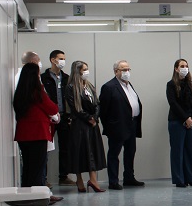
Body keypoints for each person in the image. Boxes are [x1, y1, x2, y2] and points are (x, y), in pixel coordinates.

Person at [13, 63, 62, 199]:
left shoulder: (20, 91)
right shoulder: (37, 91)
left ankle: (26, 197)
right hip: (38, 134)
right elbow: (52, 108)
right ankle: (37, 199)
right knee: (37, 169)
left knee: (28, 169)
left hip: (23, 134)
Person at [99, 60, 144, 191]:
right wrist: (109, 127)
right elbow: (103, 110)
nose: (127, 72)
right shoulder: (109, 87)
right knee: (114, 154)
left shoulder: (129, 85)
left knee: (130, 152)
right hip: (117, 126)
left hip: (132, 124)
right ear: (116, 71)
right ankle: (113, 181)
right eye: (124, 69)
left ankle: (129, 177)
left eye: (128, 69)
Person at [65, 61, 106, 193]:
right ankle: (79, 180)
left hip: (92, 124)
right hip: (80, 125)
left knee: (93, 151)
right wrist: (88, 118)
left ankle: (93, 180)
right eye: (84, 69)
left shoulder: (89, 86)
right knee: (80, 152)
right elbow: (75, 108)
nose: (86, 72)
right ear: (77, 71)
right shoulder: (71, 87)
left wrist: (95, 117)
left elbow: (97, 103)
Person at [41, 49, 75, 186]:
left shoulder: (66, 78)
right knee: (46, 148)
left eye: (64, 59)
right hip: (49, 117)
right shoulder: (44, 78)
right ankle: (43, 178)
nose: (63, 61)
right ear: (52, 60)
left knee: (65, 147)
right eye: (60, 59)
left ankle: (63, 176)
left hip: (64, 116)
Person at [166, 59, 192, 188]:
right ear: (176, 69)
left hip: (191, 122)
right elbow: (173, 103)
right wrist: (185, 118)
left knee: (190, 151)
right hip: (177, 121)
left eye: (186, 66)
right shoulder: (171, 85)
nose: (185, 68)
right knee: (177, 151)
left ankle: (191, 177)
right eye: (182, 66)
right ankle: (179, 179)